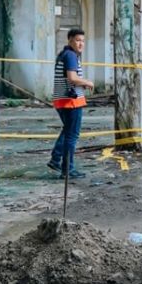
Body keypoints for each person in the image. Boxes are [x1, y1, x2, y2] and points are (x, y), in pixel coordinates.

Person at [47, 28, 93, 179]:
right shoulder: (71, 56)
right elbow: (72, 78)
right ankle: (68, 170)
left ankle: (56, 159)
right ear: (70, 40)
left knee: (68, 131)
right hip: (71, 101)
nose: (81, 44)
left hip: (62, 99)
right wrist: (87, 82)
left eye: (83, 41)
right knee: (72, 135)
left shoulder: (64, 55)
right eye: (78, 40)